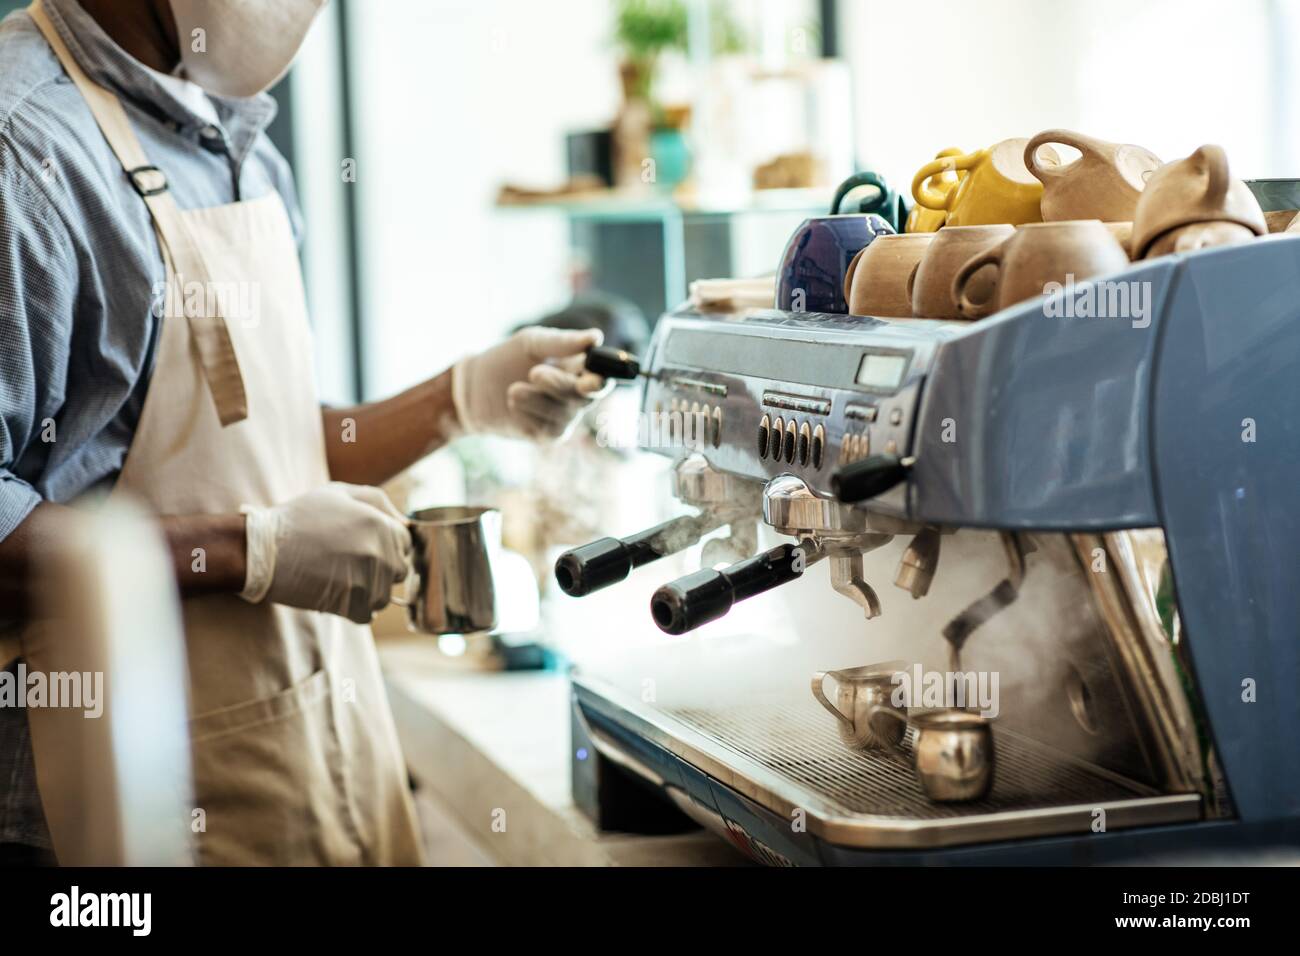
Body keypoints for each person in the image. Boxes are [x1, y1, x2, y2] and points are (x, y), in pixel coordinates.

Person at [0, 0, 604, 865]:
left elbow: (265, 446)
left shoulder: (230, 137)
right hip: (106, 825)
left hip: (306, 770)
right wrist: (253, 552)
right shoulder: (23, 149)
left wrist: (462, 396)